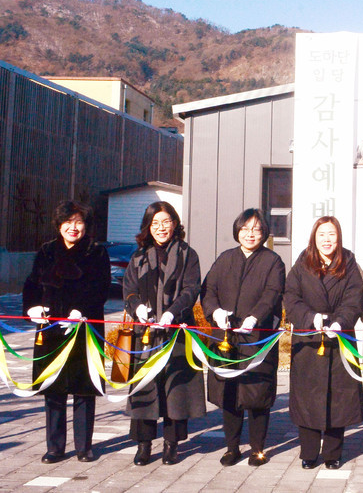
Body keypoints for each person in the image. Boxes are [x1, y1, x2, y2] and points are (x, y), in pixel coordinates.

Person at [22, 200, 111, 463]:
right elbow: (32, 284)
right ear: (59, 225)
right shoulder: (47, 250)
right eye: (68, 222)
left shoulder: (96, 252)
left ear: (86, 226)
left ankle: (84, 447)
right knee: (54, 388)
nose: (73, 228)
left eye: (79, 222)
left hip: (85, 328)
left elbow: (101, 288)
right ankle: (55, 447)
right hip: (50, 330)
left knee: (84, 388)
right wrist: (32, 308)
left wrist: (81, 311)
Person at [201, 208, 286, 467]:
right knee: (230, 393)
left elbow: (272, 293)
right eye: (245, 228)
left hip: (257, 337)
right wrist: (214, 312)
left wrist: (255, 317)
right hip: (226, 338)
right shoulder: (225, 258)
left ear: (264, 233)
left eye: (257, 229)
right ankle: (232, 447)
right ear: (237, 230)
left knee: (257, 395)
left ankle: (258, 448)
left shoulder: (273, 261)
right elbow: (208, 289)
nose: (250, 234)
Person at [123, 201, 206, 466]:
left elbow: (192, 289)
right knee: (144, 388)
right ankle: (144, 444)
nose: (161, 228)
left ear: (175, 224)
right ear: (148, 227)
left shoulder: (187, 254)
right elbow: (129, 290)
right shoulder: (138, 257)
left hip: (177, 330)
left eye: (166, 222)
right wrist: (137, 308)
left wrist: (172, 312)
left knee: (175, 388)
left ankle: (172, 444)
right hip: (144, 334)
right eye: (155, 223)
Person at [284, 216, 363, 470]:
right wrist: (311, 318)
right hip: (309, 340)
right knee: (307, 398)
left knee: (337, 399)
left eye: (331, 234)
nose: (327, 240)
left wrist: (341, 322)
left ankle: (332, 453)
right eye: (322, 235)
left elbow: (354, 298)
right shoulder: (301, 264)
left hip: (339, 339)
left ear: (338, 237)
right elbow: (291, 297)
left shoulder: (349, 263)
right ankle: (308, 452)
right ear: (314, 238)